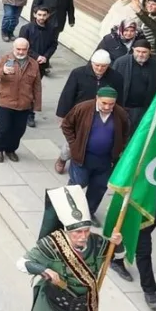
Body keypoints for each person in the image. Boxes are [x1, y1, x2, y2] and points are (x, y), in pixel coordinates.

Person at [17, 185, 122, 311]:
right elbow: (22, 263)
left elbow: (119, 256)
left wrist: (118, 243)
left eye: (86, 231)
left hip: (79, 310)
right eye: (77, 232)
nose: (83, 236)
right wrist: (45, 271)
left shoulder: (97, 243)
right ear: (67, 231)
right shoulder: (52, 244)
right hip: (53, 307)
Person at [109, 134, 156, 309]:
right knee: (144, 251)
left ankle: (115, 258)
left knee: (128, 238)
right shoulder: (143, 163)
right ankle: (150, 291)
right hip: (140, 214)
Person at [61, 87, 130, 216]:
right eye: (104, 103)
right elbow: (66, 125)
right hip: (83, 157)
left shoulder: (120, 114)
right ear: (97, 98)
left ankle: (88, 213)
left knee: (98, 188)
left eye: (111, 104)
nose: (107, 107)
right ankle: (68, 211)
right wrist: (74, 144)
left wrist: (120, 148)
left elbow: (125, 132)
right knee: (77, 184)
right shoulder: (83, 108)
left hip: (105, 160)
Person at [0, 38, 42, 163]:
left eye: (24, 49)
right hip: (6, 102)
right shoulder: (5, 59)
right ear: (13, 48)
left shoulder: (33, 64)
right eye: (18, 49)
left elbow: (37, 86)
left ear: (28, 50)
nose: (20, 52)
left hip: (24, 103)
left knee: (19, 130)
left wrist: (37, 105)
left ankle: (11, 149)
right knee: (4, 128)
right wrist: (3, 71)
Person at [110, 37, 156, 133]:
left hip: (141, 109)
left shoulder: (154, 65)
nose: (140, 54)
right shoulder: (121, 62)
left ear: (149, 52)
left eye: (144, 52)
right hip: (123, 107)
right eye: (138, 51)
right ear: (133, 50)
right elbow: (111, 83)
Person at [20, 6, 59, 77]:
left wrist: (45, 57)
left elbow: (53, 45)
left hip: (42, 63)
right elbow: (21, 46)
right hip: (27, 62)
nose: (42, 17)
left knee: (38, 82)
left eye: (44, 15)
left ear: (48, 15)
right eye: (39, 15)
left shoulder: (52, 29)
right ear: (34, 15)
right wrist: (37, 56)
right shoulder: (26, 28)